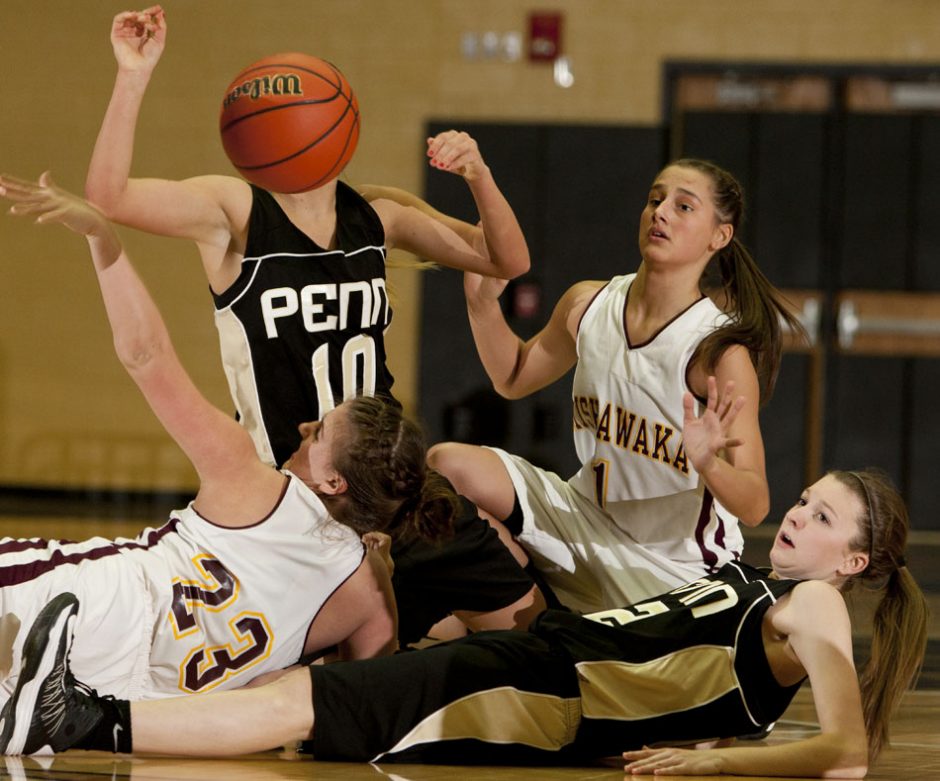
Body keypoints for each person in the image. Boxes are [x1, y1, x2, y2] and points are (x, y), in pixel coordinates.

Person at [1, 448, 928, 775]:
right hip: (539, 671)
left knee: (306, 704)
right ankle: (89, 711)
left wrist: (712, 761)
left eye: (822, 517)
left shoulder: (816, 604)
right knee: (306, 701)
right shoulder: (768, 590)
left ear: (853, 562)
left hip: (543, 692)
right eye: (803, 500)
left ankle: (81, 717)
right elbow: (710, 680)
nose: (796, 515)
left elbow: (845, 750)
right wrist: (713, 728)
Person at [85, 6, 544, 645]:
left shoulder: (376, 215)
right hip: (295, 494)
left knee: (532, 632)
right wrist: (133, 75)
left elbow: (507, 260)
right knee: (356, 664)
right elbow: (109, 198)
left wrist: (478, 175)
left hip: (389, 483)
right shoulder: (235, 214)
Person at [0, 173, 461, 708]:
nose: (304, 427)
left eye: (319, 432)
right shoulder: (367, 595)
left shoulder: (249, 479)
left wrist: (102, 236)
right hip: (133, 699)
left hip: (88, 605)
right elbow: (356, 702)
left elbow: (146, 355)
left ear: (335, 480)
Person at [428, 157, 807, 613]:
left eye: (684, 206)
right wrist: (481, 305)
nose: (660, 212)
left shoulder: (718, 351)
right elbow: (513, 376)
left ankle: (557, 631)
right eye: (655, 199)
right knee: (447, 464)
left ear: (719, 236)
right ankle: (534, 627)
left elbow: (756, 504)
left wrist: (709, 464)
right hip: (583, 518)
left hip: (672, 565)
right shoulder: (588, 303)